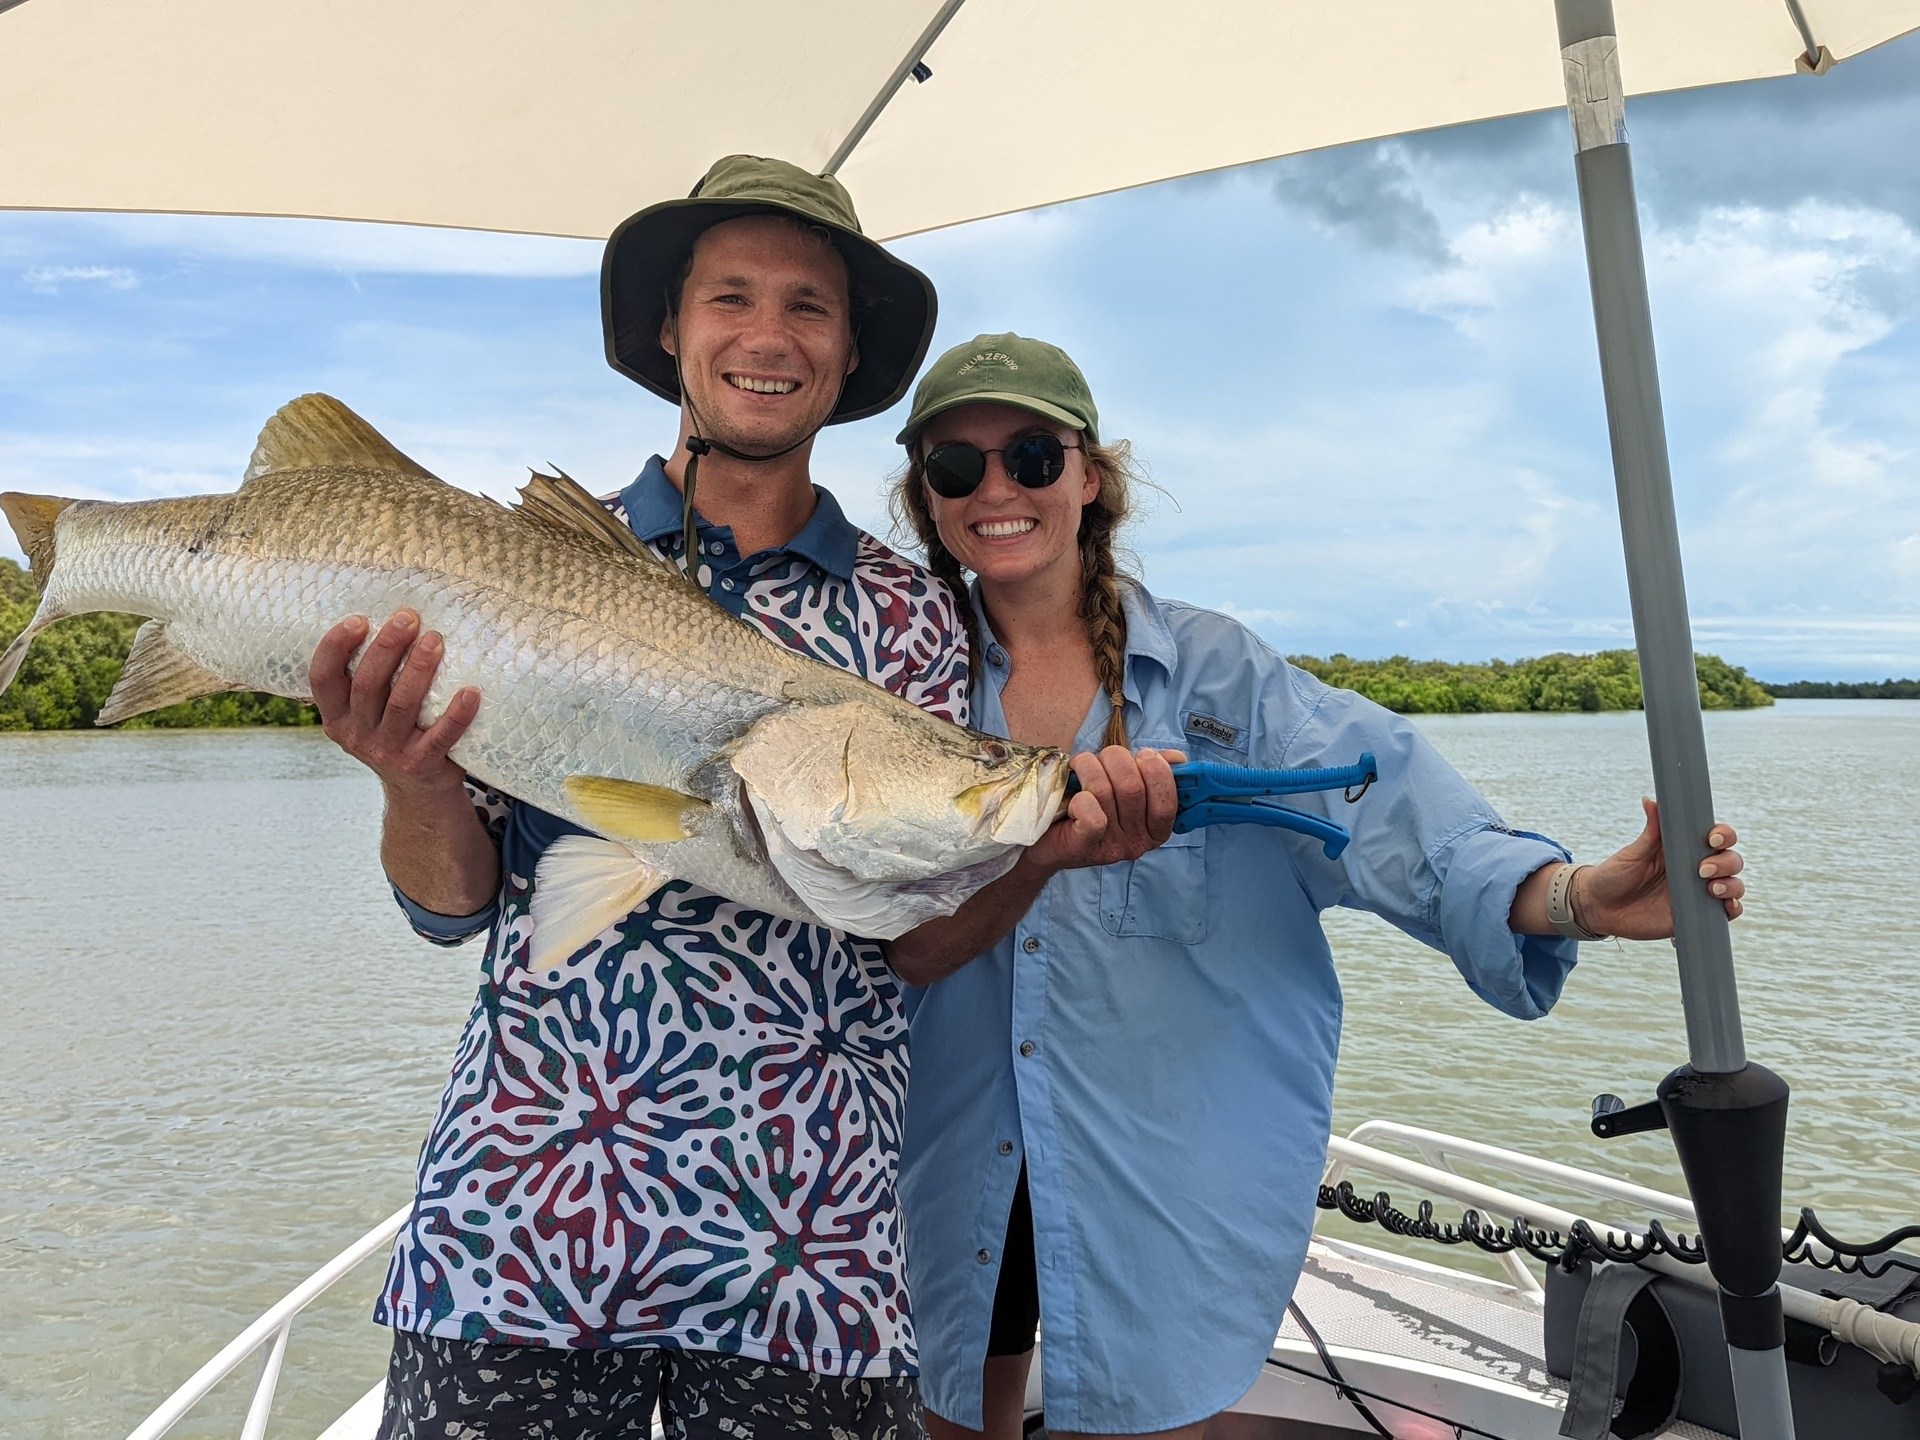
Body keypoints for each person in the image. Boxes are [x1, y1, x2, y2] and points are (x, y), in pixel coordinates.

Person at [882, 332, 1748, 1440]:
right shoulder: (895, 674)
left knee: (1154, 1411)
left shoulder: (1220, 679)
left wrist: (1575, 897)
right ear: (928, 495)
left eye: (1033, 457)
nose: (996, 489)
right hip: (945, 1145)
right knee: (953, 1405)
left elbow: (1392, 810)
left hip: (1160, 1163)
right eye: (957, 466)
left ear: (1090, 476)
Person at [307, 156, 955, 1439]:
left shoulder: (916, 616)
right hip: (522, 1223)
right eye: (730, 297)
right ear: (671, 329)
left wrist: (1041, 845)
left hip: (809, 1244)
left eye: (810, 307)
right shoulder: (516, 565)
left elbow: (920, 932)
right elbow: (451, 910)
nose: (768, 336)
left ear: (847, 352)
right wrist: (410, 777)